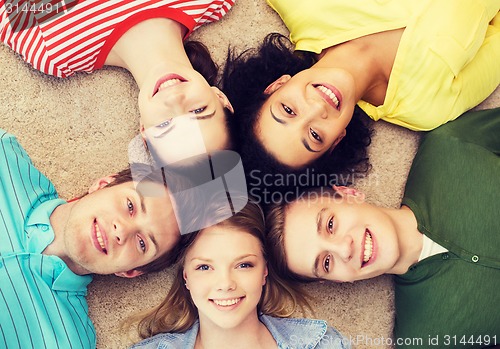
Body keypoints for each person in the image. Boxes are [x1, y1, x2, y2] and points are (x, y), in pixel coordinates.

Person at [265, 107, 500, 347]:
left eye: (330, 224)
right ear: (337, 281)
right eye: (326, 263)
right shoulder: (423, 340)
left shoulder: (450, 146)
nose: (344, 250)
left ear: (348, 194)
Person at [222, 0, 499, 191]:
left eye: (288, 110)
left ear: (277, 85)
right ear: (337, 141)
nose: (316, 109)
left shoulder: (303, 5)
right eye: (315, 136)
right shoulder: (425, 106)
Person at [0, 128, 196, 349]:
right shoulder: (4, 158)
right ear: (103, 184)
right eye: (130, 206)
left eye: (142, 243)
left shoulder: (66, 343)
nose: (122, 231)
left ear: (130, 271)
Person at [1, 0, 236, 161]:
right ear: (220, 97)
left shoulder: (56, 50)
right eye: (198, 110)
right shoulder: (214, 2)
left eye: (166, 125)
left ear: (144, 132)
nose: (174, 98)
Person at [127, 196, 350, 349]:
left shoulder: (322, 343)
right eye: (204, 267)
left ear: (264, 271)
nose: (225, 283)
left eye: (244, 265)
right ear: (186, 277)